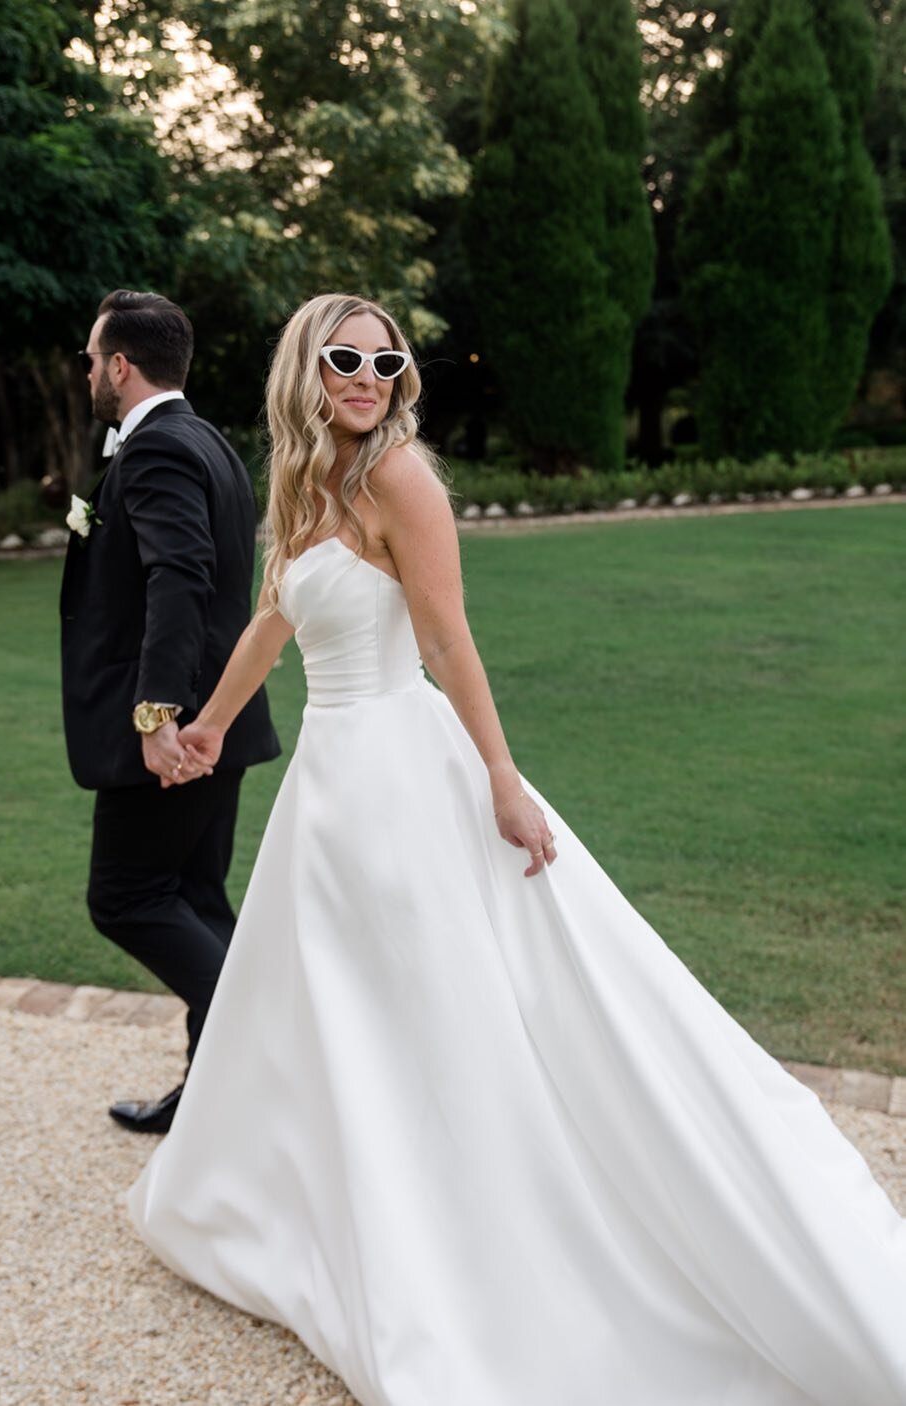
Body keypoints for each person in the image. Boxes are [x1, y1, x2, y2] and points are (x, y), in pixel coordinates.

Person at [125, 294, 906, 1405]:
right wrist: (204, 719)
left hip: (402, 771)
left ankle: (464, 1241)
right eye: (344, 357)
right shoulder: (304, 482)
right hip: (327, 791)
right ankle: (334, 1211)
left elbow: (446, 637)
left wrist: (500, 775)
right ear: (305, 367)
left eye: (384, 358)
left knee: (433, 1002)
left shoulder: (401, 477)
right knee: (338, 1008)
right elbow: (270, 619)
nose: (367, 374)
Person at [59, 289, 279, 1134]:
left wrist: (157, 719)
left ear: (121, 364)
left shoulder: (156, 453)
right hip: (216, 724)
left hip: (181, 734)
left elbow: (180, 579)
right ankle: (216, 1103)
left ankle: (259, 1044)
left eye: (90, 358)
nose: (86, 372)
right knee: (195, 900)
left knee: (125, 897)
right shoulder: (208, 442)